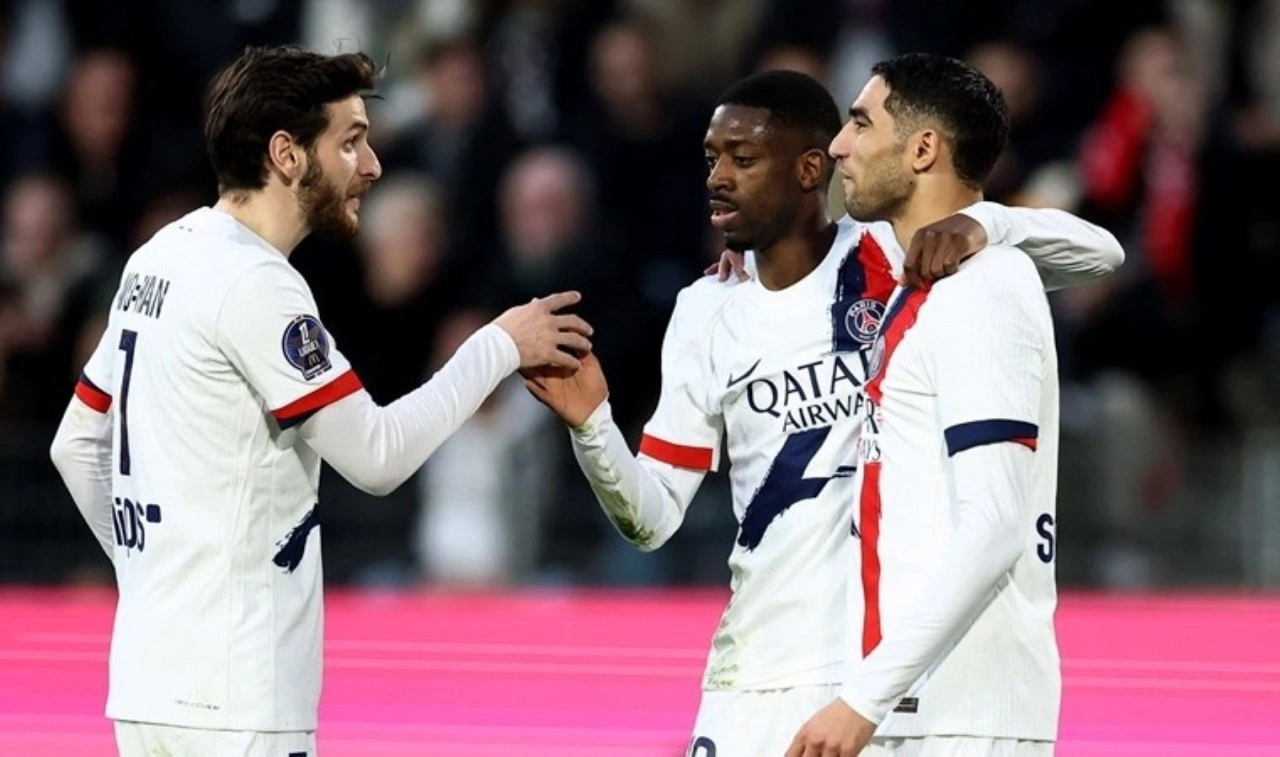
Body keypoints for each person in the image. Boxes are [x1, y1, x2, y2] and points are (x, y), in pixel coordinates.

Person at [521, 69, 1122, 757]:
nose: (718, 178)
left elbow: (1101, 252)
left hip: (877, 669)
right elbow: (652, 519)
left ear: (808, 170)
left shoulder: (898, 254)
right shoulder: (705, 310)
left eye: (742, 158)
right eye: (711, 159)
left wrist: (985, 221)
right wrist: (593, 427)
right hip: (755, 668)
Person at [47, 45, 591, 756]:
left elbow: (75, 442)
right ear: (287, 154)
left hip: (148, 683)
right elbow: (377, 456)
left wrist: (153, 578)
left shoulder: (158, 256)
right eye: (351, 142)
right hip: (241, 693)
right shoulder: (256, 282)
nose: (372, 166)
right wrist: (497, 346)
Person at [787, 53, 1066, 757]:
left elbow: (995, 523)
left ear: (922, 149)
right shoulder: (926, 282)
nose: (839, 145)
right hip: (917, 708)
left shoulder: (984, 290)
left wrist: (861, 701)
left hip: (964, 718)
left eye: (859, 123)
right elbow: (1101, 248)